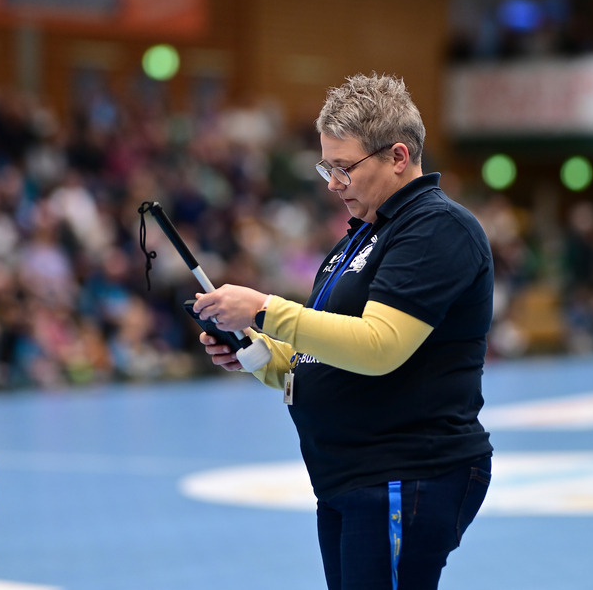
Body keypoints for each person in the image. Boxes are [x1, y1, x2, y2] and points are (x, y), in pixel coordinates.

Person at [193, 73, 494, 589]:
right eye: (326, 167)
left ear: (397, 157)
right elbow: (325, 352)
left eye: (344, 168)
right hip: (349, 477)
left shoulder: (435, 228)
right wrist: (259, 357)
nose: (333, 184)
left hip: (404, 472)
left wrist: (264, 309)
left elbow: (379, 347)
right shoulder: (362, 237)